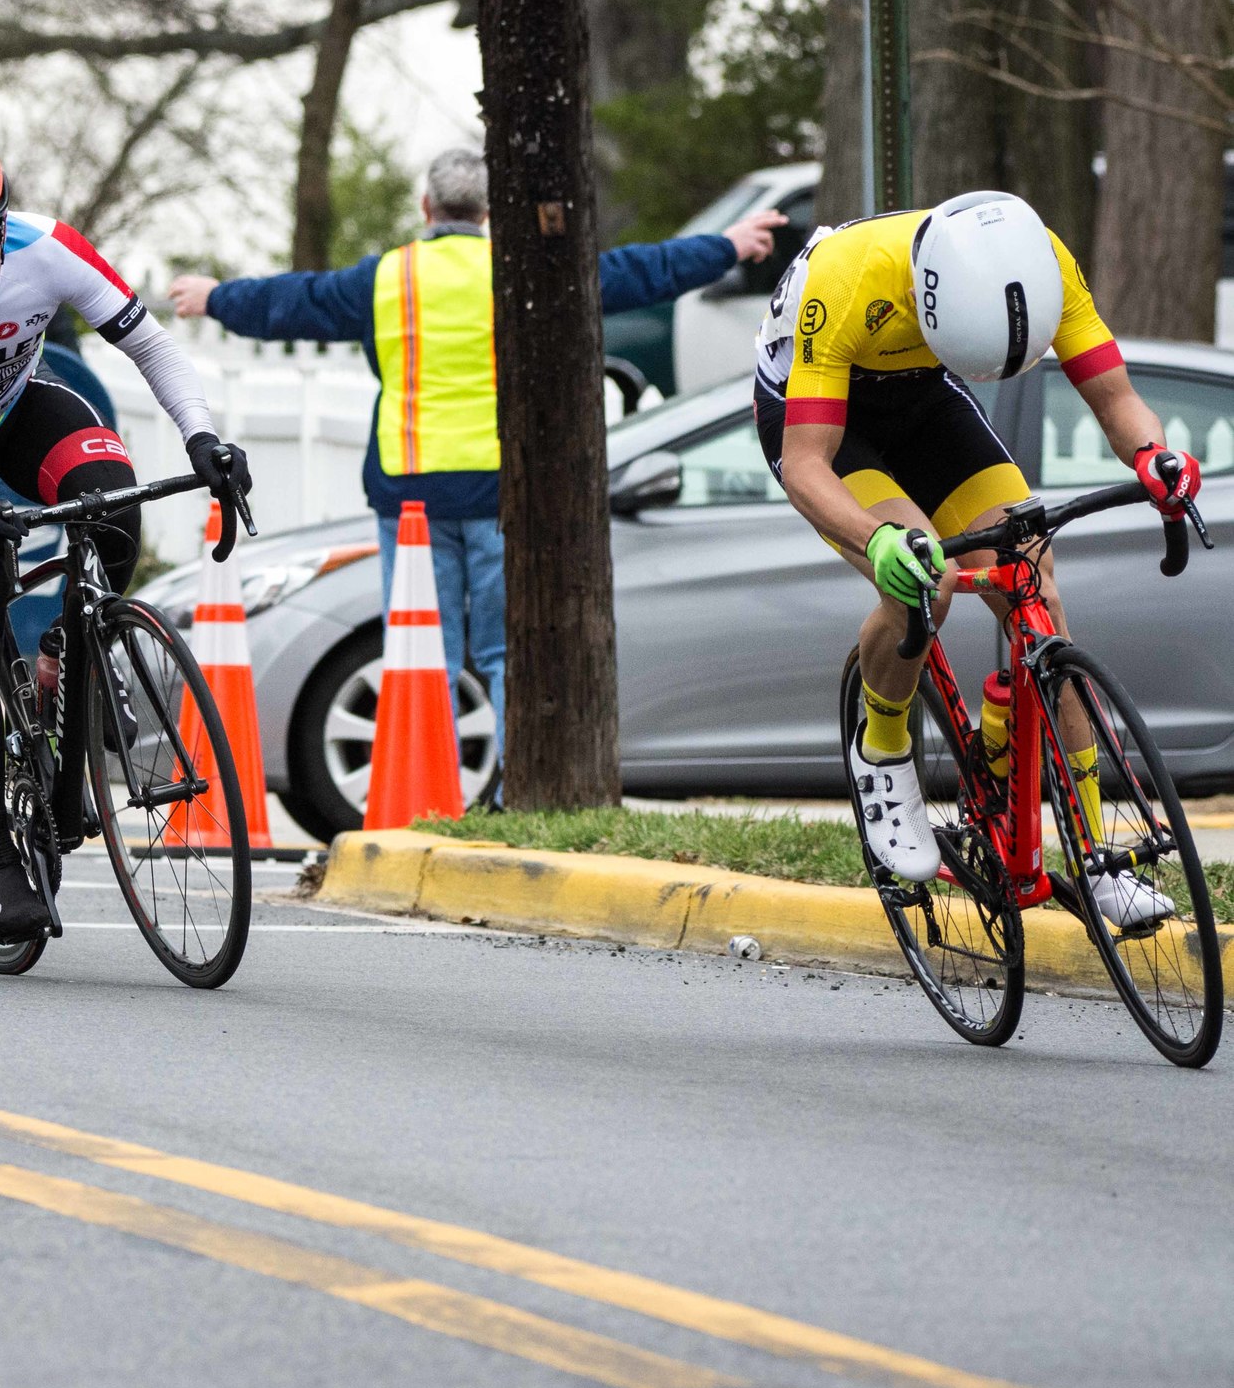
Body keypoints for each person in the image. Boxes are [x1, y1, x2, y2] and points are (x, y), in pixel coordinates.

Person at [166, 147, 785, 738]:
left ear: (425, 207)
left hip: (410, 496)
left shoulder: (387, 277)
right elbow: (634, 274)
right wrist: (725, 246)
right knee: (502, 652)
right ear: (489, 212)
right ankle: (509, 785)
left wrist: (215, 297)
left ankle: (431, 792)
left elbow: (292, 302)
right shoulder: (522, 272)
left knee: (423, 654)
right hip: (500, 493)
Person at [758, 190, 1196, 927]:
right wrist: (878, 539)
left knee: (1033, 579)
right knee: (925, 582)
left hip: (929, 397)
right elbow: (807, 465)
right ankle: (884, 749)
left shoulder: (1041, 259)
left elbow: (1116, 396)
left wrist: (1155, 454)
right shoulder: (847, 278)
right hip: (824, 420)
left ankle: (1094, 857)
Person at [0, 137, 249, 943]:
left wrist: (202, 439)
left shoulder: (48, 247)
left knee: (113, 510)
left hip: (20, 409)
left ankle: (72, 650)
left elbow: (149, 343)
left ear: (4, 226)